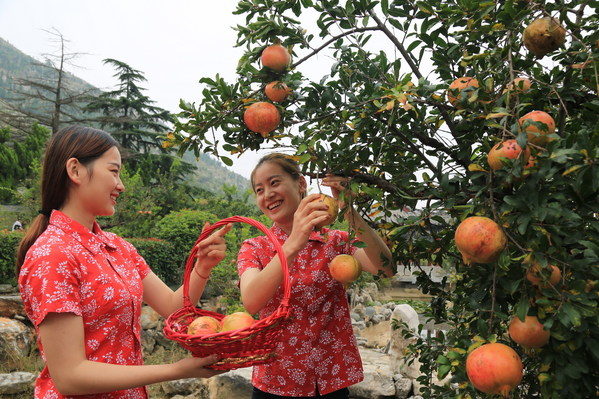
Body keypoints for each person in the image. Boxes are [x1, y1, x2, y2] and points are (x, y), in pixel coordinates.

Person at [16, 125, 231, 398]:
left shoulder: (119, 248)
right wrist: (177, 369)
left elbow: (173, 306)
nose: (121, 185)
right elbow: (70, 377)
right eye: (114, 171)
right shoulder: (52, 255)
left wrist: (202, 266)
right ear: (75, 171)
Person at [237, 153, 394, 399]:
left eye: (274, 183)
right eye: (259, 189)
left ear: (300, 184)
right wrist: (292, 244)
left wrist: (348, 210)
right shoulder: (255, 247)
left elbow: (386, 268)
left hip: (330, 380)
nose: (267, 194)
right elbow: (251, 300)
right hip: (276, 383)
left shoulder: (336, 242)